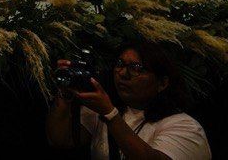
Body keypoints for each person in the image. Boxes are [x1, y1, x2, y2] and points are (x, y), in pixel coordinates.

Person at [47, 41, 211, 160]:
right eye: (120, 64)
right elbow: (61, 139)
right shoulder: (108, 109)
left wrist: (110, 114)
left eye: (136, 68)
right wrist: (65, 93)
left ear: (162, 83)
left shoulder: (185, 126)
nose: (123, 73)